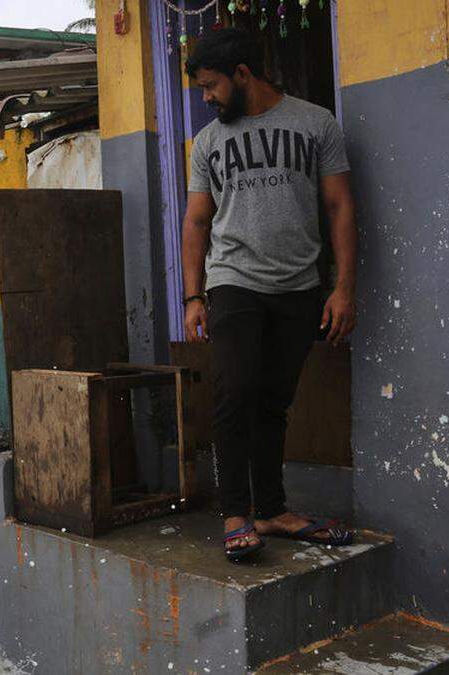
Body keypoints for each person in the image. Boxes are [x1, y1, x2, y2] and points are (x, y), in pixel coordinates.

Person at [180, 29, 357, 561]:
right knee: (235, 392)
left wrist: (343, 287)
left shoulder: (315, 123)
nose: (206, 98)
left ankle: (272, 511)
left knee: (274, 403)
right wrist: (193, 296)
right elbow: (195, 220)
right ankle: (236, 513)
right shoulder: (208, 143)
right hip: (233, 282)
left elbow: (340, 208)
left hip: (300, 286)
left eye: (211, 86)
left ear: (242, 74)